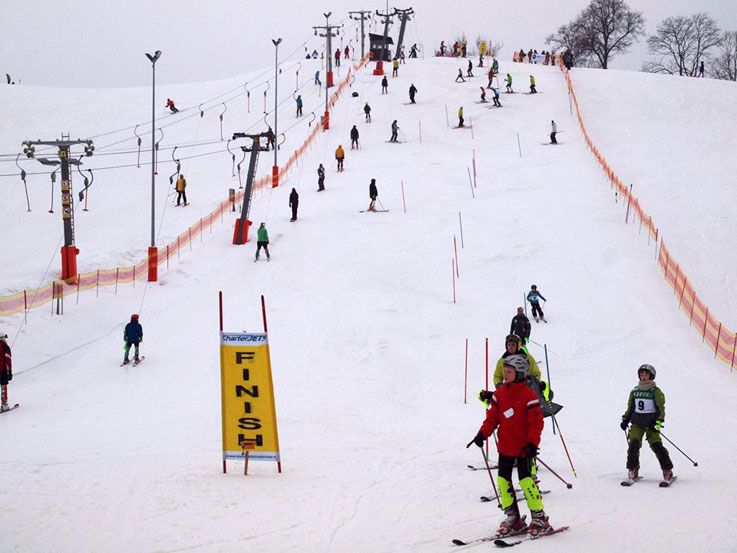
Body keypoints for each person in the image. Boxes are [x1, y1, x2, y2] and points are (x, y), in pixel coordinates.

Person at [467, 354, 553, 538]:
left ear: (520, 373)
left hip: (524, 447)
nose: (505, 374)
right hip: (506, 445)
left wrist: (532, 443)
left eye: (509, 372)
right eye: (504, 371)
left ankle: (539, 517)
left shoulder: (529, 396)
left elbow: (536, 423)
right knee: (503, 481)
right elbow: (493, 418)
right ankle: (513, 517)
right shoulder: (500, 395)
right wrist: (482, 434)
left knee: (526, 480)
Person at [620, 364, 674, 484]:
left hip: (651, 424)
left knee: (656, 446)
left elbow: (661, 410)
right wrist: (625, 420)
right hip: (637, 423)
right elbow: (631, 408)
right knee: (633, 445)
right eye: (641, 374)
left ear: (651, 376)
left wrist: (658, 424)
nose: (643, 377)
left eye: (646, 375)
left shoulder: (656, 391)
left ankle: (667, 470)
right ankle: (633, 469)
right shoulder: (634, 391)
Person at [0, 332, 13, 412]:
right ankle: (4, 405)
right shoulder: (5, 346)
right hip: (2, 370)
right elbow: (7, 359)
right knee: (3, 386)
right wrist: (9, 371)